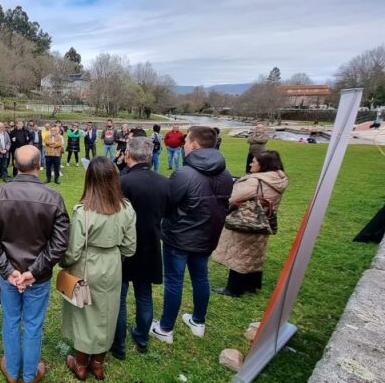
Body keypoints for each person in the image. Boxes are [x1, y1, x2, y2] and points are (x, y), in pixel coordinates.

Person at [0, 145, 69, 383]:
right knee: (26, 323)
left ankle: (24, 373)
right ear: (39, 166)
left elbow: (59, 242)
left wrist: (31, 272)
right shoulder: (0, 194)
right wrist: (10, 271)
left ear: (15, 165)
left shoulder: (49, 197)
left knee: (16, 321)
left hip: (32, 275)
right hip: (16, 273)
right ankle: (17, 372)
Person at [151, 126, 233, 343]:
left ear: (195, 145)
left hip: (180, 237)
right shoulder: (225, 174)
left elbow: (167, 203)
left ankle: (166, 328)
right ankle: (198, 321)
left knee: (175, 281)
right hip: (206, 236)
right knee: (200, 277)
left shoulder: (185, 174)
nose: (184, 144)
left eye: (186, 141)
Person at [61, 156, 136, 381]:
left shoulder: (83, 211)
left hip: (87, 264)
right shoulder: (126, 208)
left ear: (89, 180)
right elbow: (130, 247)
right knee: (107, 313)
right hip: (112, 264)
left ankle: (82, 364)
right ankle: (97, 363)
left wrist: (64, 263)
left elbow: (72, 250)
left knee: (85, 315)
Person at [111, 138, 169, 360]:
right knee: (143, 294)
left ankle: (120, 343)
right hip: (149, 245)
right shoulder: (163, 183)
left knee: (122, 296)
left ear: (128, 155)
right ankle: (140, 338)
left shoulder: (122, 182)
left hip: (126, 246)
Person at [212, 151, 289, 296]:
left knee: (240, 254)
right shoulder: (279, 179)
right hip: (263, 220)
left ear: (263, 165)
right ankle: (252, 285)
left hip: (246, 220)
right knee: (255, 254)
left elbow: (231, 197)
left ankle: (234, 288)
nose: (250, 164)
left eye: (254, 162)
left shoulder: (254, 181)